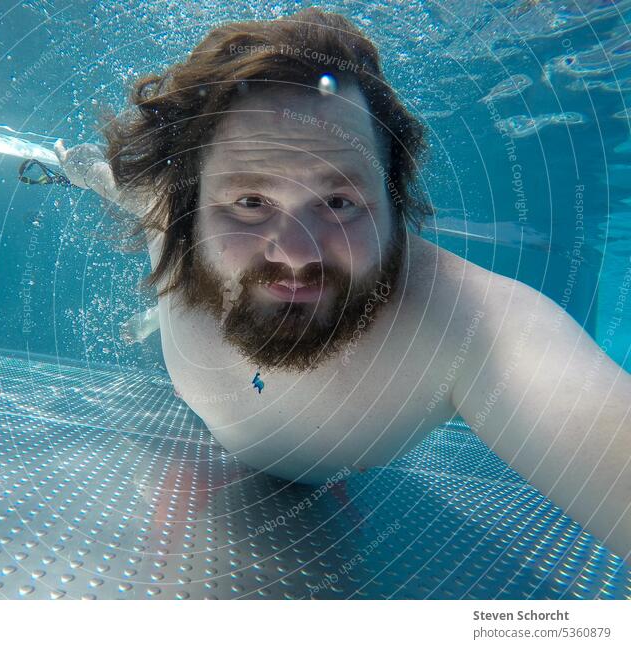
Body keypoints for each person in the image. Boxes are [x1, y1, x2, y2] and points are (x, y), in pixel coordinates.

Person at [54, 8, 631, 560]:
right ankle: (160, 317)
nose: (298, 254)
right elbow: (121, 188)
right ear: (190, 209)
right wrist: (79, 171)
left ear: (395, 208)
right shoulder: (168, 221)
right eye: (251, 202)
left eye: (338, 201)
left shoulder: (472, 327)